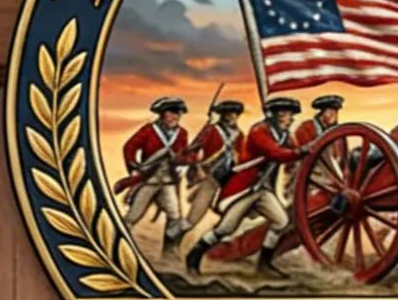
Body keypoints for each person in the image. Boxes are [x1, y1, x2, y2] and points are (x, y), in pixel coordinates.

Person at [184, 95, 303, 278]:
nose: (291, 118)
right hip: (243, 188)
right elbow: (276, 153)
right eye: (287, 114)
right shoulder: (258, 131)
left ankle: (263, 264)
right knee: (225, 229)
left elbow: (295, 152)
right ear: (275, 115)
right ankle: (194, 256)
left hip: (262, 189)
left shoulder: (284, 135)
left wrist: (304, 152)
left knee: (281, 222)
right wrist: (300, 151)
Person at [120, 95, 190, 256]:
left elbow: (183, 154)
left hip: (168, 182)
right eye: (171, 113)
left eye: (178, 113)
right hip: (149, 180)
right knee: (133, 216)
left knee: (175, 218)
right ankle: (118, 245)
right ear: (162, 114)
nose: (175, 117)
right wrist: (134, 167)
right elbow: (129, 147)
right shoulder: (149, 130)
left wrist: (182, 166)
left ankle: (169, 254)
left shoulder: (182, 133)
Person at [182, 96, 245, 229]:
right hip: (210, 176)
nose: (232, 117)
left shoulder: (239, 135)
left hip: (228, 177)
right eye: (228, 113)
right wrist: (197, 168)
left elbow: (241, 156)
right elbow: (192, 150)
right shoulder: (211, 130)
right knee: (193, 219)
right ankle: (173, 241)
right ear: (222, 115)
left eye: (234, 113)